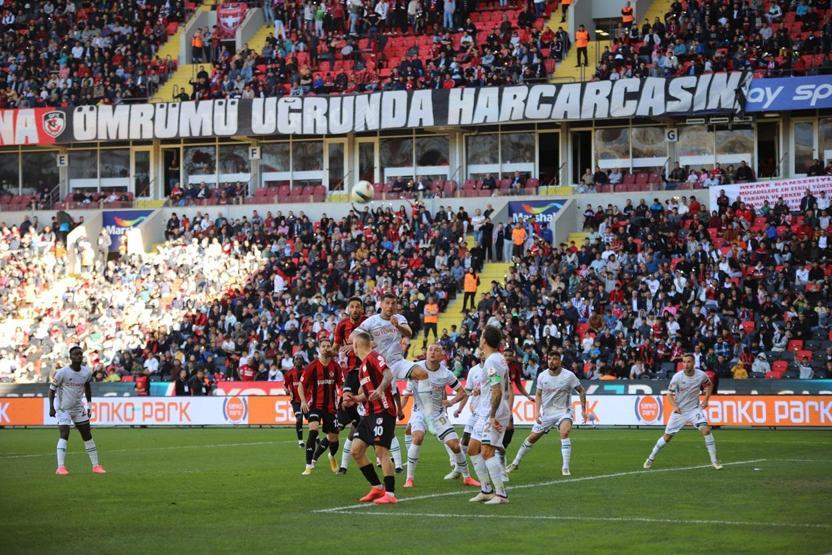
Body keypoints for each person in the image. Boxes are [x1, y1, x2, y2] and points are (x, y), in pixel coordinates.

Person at [401, 343, 479, 488]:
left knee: (455, 446)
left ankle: (467, 477)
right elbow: (405, 389)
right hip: (420, 412)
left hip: (438, 414)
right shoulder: (415, 368)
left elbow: (462, 392)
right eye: (430, 349)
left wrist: (451, 402)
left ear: (442, 355)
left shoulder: (446, 374)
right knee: (417, 437)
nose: (432, 352)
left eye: (436, 350)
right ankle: (409, 479)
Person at [507, 352, 586, 476]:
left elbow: (581, 390)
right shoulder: (542, 376)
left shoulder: (569, 376)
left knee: (564, 432)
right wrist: (537, 412)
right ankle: (515, 463)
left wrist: (583, 410)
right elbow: (538, 394)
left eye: (555, 359)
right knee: (532, 437)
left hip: (564, 411)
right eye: (549, 358)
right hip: (547, 413)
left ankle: (565, 468)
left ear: (560, 361)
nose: (551, 361)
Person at [346, 330, 399, 505]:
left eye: (352, 344)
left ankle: (390, 494)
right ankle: (377, 487)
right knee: (356, 450)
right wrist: (355, 399)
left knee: (380, 451)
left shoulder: (374, 357)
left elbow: (388, 375)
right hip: (369, 414)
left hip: (383, 411)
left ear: (356, 345)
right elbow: (366, 394)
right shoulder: (361, 368)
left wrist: (381, 389)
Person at [643, 354, 722, 470]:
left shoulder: (701, 375)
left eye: (688, 362)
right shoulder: (677, 377)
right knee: (667, 437)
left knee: (706, 430)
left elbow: (710, 384)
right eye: (684, 362)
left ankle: (714, 461)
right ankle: (651, 458)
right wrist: (674, 406)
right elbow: (669, 394)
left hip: (694, 409)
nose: (685, 364)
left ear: (693, 363)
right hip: (680, 412)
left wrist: (706, 399)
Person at [468, 326, 511, 505]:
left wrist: (493, 416)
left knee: (487, 452)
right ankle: (486, 490)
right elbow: (493, 386)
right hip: (485, 411)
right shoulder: (497, 359)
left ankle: (501, 495)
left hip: (493, 412)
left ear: (484, 341)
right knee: (472, 449)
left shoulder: (492, 361)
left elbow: (497, 391)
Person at [49, 346, 106, 475]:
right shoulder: (62, 372)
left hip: (78, 407)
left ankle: (96, 466)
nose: (79, 356)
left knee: (87, 435)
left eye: (80, 354)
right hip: (63, 408)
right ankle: (61, 467)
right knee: (64, 434)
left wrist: (89, 406)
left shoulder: (86, 372)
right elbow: (52, 389)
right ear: (71, 357)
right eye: (76, 354)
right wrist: (51, 407)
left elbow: (87, 387)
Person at [357, 292, 428, 381]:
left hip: (397, 362)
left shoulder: (399, 318)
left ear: (396, 306)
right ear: (381, 304)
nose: (390, 306)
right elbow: (353, 336)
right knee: (372, 393)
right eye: (387, 303)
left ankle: (410, 389)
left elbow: (409, 333)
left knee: (422, 374)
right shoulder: (371, 321)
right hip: (379, 365)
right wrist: (367, 342)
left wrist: (397, 326)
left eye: (393, 303)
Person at [298, 337, 343, 475]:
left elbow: (340, 384)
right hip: (315, 406)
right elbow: (301, 385)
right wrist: (303, 401)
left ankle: (332, 456)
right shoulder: (312, 366)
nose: (326, 348)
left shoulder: (335, 366)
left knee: (333, 438)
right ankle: (308, 465)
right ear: (319, 348)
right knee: (313, 430)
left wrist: (342, 395)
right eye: (323, 346)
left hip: (330, 407)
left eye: (328, 346)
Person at [333, 296, 366, 475]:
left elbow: (376, 343)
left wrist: (355, 347)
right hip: (352, 372)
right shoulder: (342, 325)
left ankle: (391, 460)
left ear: (361, 310)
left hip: (368, 369)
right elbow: (335, 346)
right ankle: (350, 420)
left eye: (357, 307)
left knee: (373, 414)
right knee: (346, 401)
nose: (355, 310)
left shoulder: (369, 322)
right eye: (352, 307)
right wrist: (326, 351)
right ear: (348, 309)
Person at [283, 353, 306, 448]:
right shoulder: (289, 373)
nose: (298, 361)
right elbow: (285, 385)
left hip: (306, 400)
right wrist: (287, 390)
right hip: (296, 401)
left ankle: (316, 437)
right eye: (296, 359)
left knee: (313, 420)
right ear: (293, 361)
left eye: (300, 359)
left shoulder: (306, 371)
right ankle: (300, 440)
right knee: (299, 418)